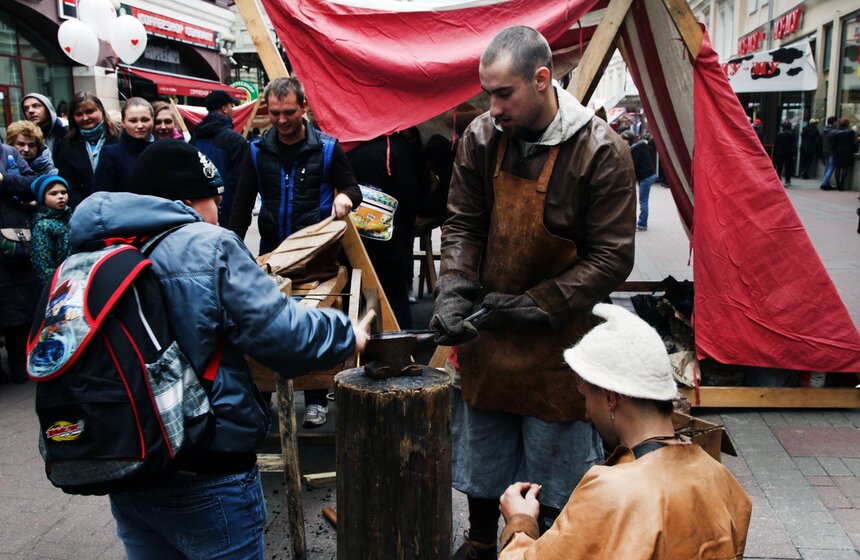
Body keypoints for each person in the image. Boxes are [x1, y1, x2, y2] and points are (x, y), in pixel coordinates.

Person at [68, 139, 368, 559]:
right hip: (206, 463)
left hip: (128, 463)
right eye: (215, 200)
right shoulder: (207, 244)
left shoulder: (92, 247)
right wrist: (345, 332)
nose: (218, 212)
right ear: (188, 200)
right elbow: (284, 337)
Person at [431, 26, 636, 559]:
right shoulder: (481, 138)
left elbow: (612, 258)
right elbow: (463, 224)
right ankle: (483, 541)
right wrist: (453, 288)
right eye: (488, 94)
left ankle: (550, 549)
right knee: (484, 461)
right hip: (488, 340)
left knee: (552, 473)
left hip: (560, 347)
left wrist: (536, 305)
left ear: (542, 79)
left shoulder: (600, 151)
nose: (493, 108)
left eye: (504, 94)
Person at [498, 304, 752, 559]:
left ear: (611, 398)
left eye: (585, 397)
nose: (586, 414)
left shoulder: (609, 493)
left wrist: (520, 521)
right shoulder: (720, 477)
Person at [229, 77, 362, 430]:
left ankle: (315, 397)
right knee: (263, 324)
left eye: (289, 112)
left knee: (312, 324)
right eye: (275, 113)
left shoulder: (328, 148)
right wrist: (230, 244)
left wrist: (345, 197)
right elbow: (241, 204)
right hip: (273, 255)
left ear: (303, 107)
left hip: (317, 258)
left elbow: (353, 188)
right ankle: (265, 394)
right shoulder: (257, 150)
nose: (282, 120)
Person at [347, 133, 420, 328]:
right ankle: (401, 342)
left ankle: (367, 341)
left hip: (352, 235)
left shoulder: (342, 143)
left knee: (360, 291)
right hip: (389, 237)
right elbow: (409, 195)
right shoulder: (397, 147)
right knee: (395, 295)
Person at [0, 140, 37, 384]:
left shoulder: (9, 153)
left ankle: (18, 361)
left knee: (17, 305)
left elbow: (32, 183)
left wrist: (4, 180)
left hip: (11, 238)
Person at [191, 90, 248, 227]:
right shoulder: (234, 140)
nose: (232, 111)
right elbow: (242, 184)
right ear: (224, 108)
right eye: (231, 106)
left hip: (197, 213)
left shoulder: (195, 138)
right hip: (227, 215)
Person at [54, 91, 121, 207]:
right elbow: (69, 185)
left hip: (119, 206)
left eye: (90, 111)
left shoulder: (120, 138)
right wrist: (86, 209)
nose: (85, 118)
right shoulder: (66, 145)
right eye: (79, 114)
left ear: (100, 109)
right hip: (84, 208)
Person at [93, 97, 154, 193]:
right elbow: (101, 194)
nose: (140, 126)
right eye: (133, 121)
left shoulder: (161, 151)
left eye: (145, 120)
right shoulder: (111, 154)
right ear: (123, 122)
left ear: (153, 120)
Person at [28, 175, 72, 285]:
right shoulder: (43, 226)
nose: (61, 196)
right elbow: (43, 266)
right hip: (60, 284)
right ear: (42, 198)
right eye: (53, 193)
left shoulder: (73, 219)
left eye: (63, 192)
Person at [621, 130, 656, 231]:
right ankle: (642, 223)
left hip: (645, 177)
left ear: (629, 140)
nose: (622, 142)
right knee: (644, 200)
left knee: (643, 201)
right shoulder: (640, 146)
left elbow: (633, 166)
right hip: (649, 175)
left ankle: (642, 224)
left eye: (624, 140)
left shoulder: (635, 149)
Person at [833, 118, 857, 191]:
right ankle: (842, 184)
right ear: (847, 124)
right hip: (847, 151)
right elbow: (853, 143)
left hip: (838, 151)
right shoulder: (851, 132)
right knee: (844, 168)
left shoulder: (836, 132)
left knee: (837, 168)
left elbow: (834, 143)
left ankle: (837, 184)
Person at [773, 121, 796, 186]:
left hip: (779, 152)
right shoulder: (792, 134)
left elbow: (776, 144)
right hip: (789, 153)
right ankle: (787, 180)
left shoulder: (779, 134)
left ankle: (778, 179)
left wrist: (774, 153)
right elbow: (794, 145)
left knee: (779, 166)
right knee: (788, 166)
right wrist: (794, 154)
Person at [820, 116, 838, 190]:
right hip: (831, 151)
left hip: (825, 151)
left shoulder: (824, 130)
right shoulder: (833, 132)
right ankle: (824, 183)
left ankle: (826, 183)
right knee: (831, 167)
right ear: (834, 122)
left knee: (827, 167)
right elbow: (834, 142)